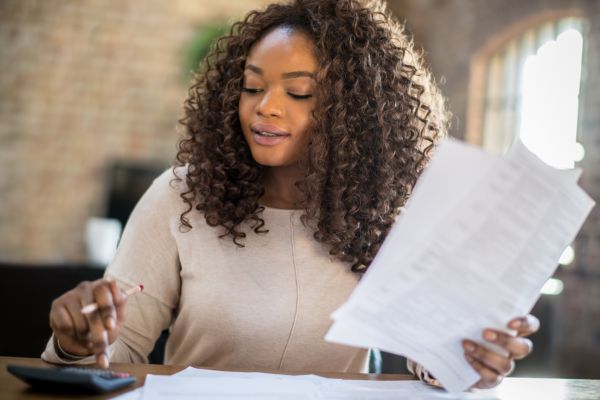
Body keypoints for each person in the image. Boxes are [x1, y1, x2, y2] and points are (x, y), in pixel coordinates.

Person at [42, 0, 538, 390]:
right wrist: (76, 345)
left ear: (357, 113)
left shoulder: (390, 217)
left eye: (298, 93)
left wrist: (467, 359)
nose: (266, 109)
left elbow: (431, 357)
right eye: (252, 88)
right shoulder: (180, 198)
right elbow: (119, 351)